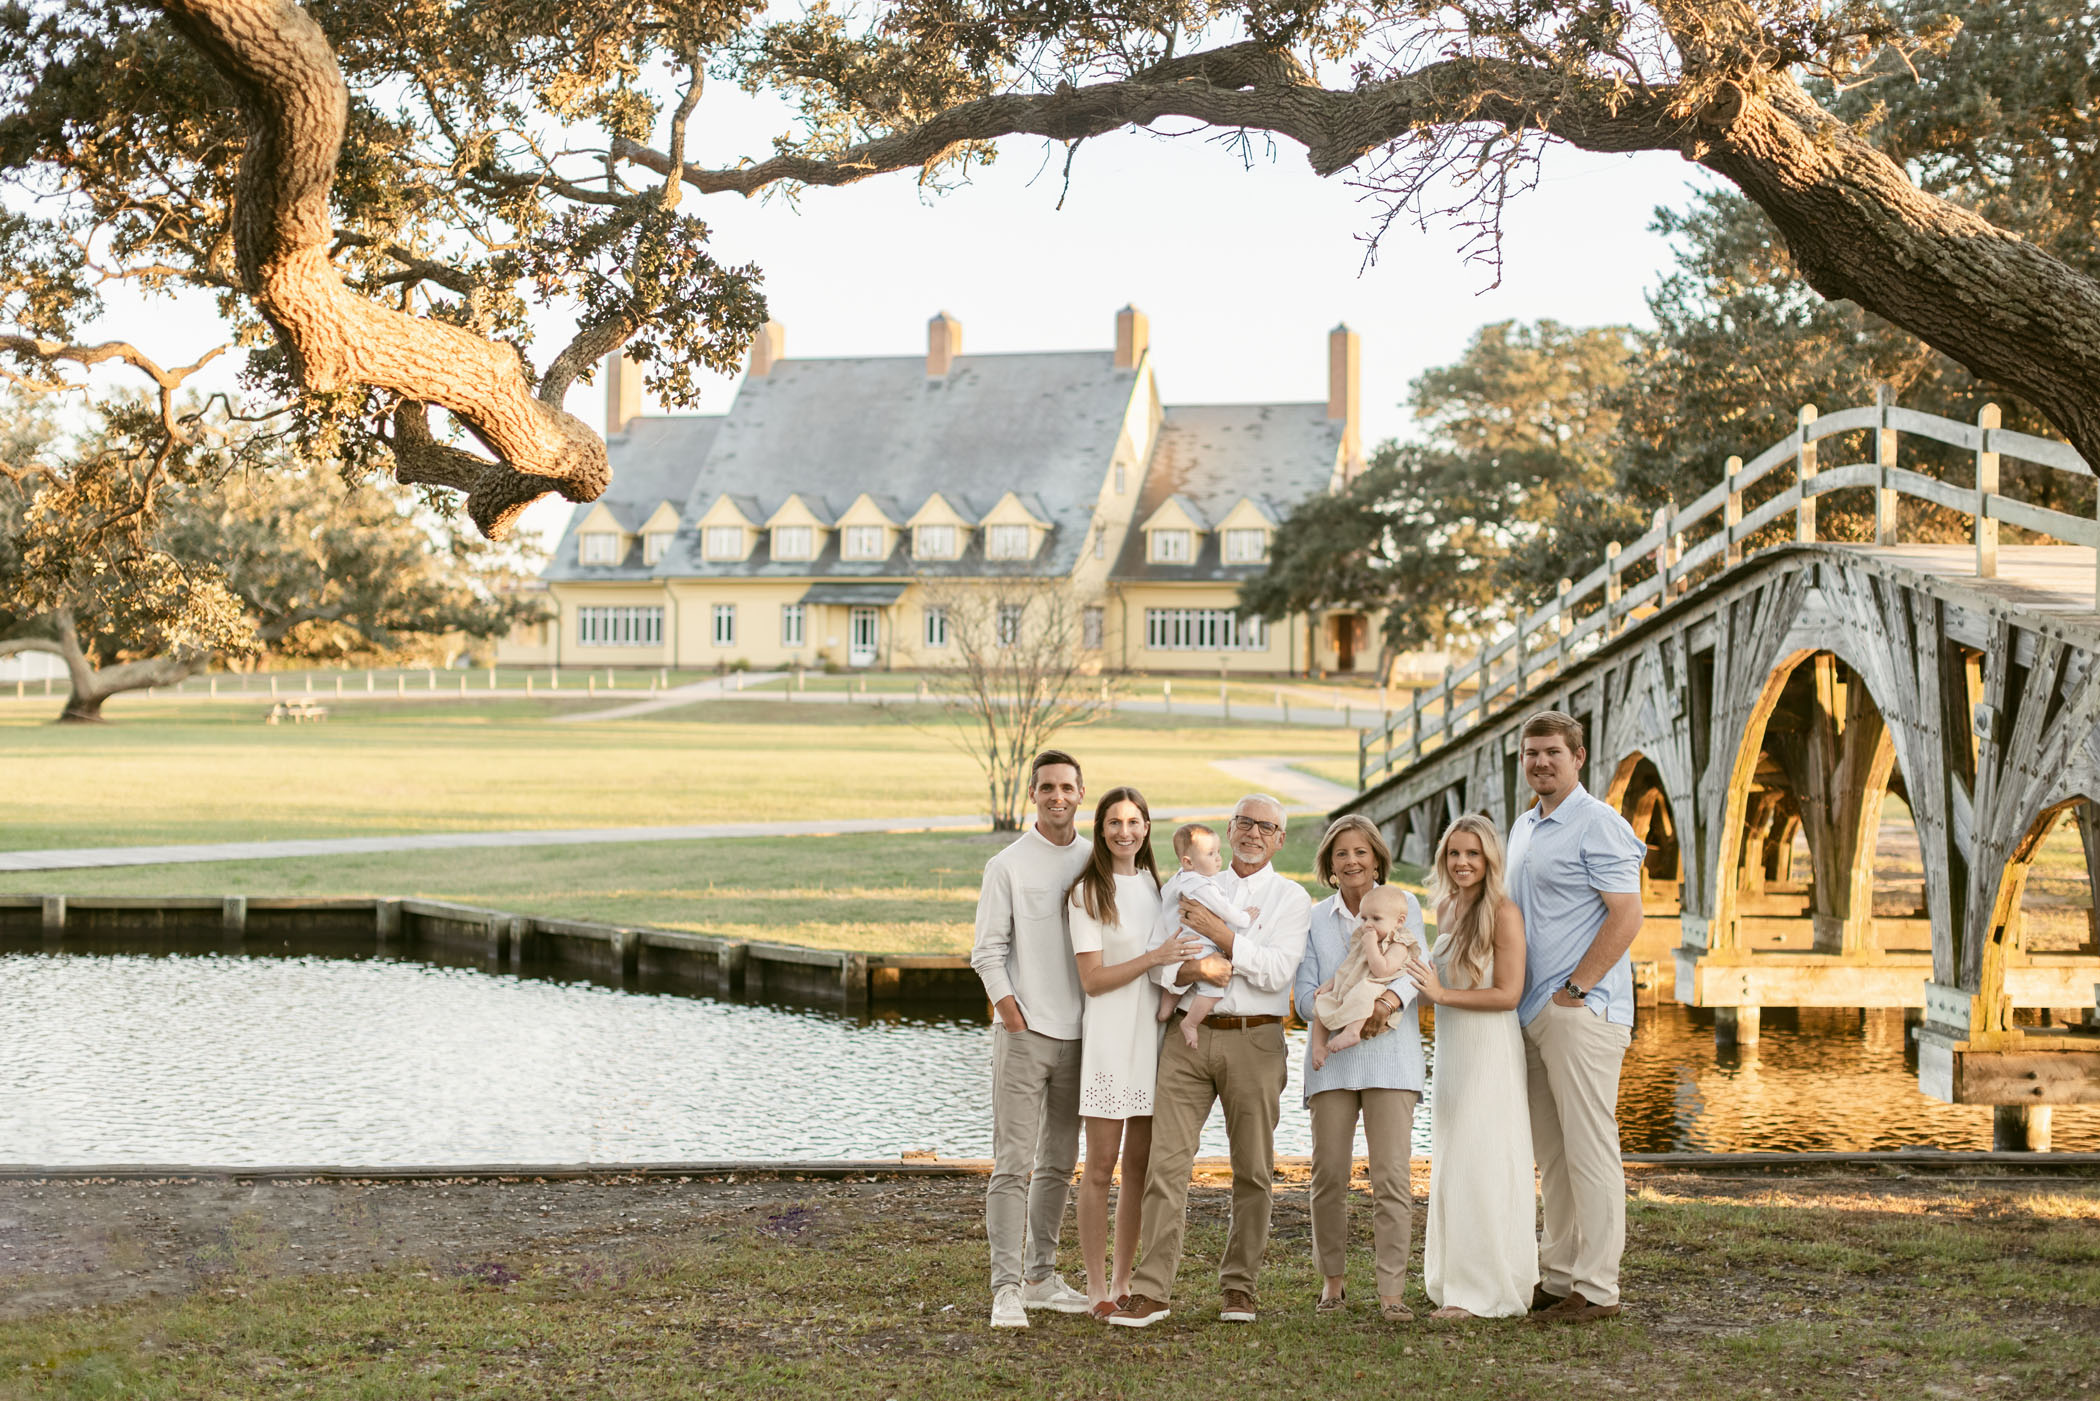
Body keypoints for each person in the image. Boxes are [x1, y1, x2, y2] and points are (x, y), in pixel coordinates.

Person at [1109, 793, 1312, 1329]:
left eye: (1265, 826)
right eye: (1244, 822)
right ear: (1228, 828)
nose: (1252, 832)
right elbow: (1160, 964)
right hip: (1187, 1040)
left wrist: (1225, 940)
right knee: (1166, 1164)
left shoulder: (1291, 899)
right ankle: (1151, 1290)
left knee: (1252, 1170)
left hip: (1256, 1040)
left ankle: (1240, 1288)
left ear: (1279, 839)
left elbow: (1275, 973)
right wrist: (1202, 967)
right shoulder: (1191, 882)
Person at [1506, 711, 1647, 1325]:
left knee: (1590, 1150)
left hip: (1580, 1011)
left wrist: (1577, 987)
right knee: (1554, 1155)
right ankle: (1558, 1273)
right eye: (1531, 753)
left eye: (1552, 753)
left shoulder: (1599, 824)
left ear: (1578, 757)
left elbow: (1627, 915)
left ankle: (1598, 1286)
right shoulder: (1523, 827)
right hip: (1530, 1011)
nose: (1541, 762)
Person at [1065, 788, 1202, 1318]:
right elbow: (1093, 980)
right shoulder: (1087, 893)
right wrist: (1154, 956)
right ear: (1100, 829)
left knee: (1139, 1169)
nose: (1126, 831)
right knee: (1100, 1167)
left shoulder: (1155, 885)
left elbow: (1179, 956)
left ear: (1147, 827)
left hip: (1152, 1041)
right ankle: (1097, 1289)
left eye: (1135, 821)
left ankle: (1125, 1281)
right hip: (1108, 1041)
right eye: (1115, 822)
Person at [970, 749, 1095, 1329]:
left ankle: (1042, 1277)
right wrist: (1013, 1016)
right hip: (1024, 1037)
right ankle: (1006, 1288)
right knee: (1013, 1164)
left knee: (1059, 1163)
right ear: (1034, 794)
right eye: (1047, 787)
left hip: (1083, 1038)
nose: (1057, 796)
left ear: (1080, 793)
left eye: (1067, 786)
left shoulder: (1098, 861)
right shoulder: (1009, 865)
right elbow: (987, 952)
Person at [1406, 813, 1538, 1320]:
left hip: (1488, 1047)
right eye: (1454, 853)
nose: (1462, 863)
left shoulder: (1503, 912)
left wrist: (1440, 994)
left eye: (1473, 854)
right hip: (1453, 1049)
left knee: (1480, 1159)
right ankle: (1454, 1280)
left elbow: (1508, 994)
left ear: (1489, 860)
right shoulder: (1445, 906)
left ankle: (1482, 1290)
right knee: (1454, 1156)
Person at [1293, 813, 1424, 1323]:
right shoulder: (1314, 918)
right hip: (1332, 1063)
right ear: (1330, 861)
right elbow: (1303, 995)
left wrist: (1385, 1004)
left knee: (1391, 1177)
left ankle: (1391, 1291)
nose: (1352, 861)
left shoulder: (1403, 905)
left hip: (1391, 1058)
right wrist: (1327, 1000)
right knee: (1328, 1175)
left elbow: (1418, 969)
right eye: (1342, 853)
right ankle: (1333, 1284)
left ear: (1377, 859)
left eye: (1361, 853)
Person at [1154, 823, 1260, 1050]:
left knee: (1178, 979)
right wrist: (1244, 918)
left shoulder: (1179, 879)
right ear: (1188, 862)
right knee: (1212, 989)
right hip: (1199, 945)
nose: (1218, 859)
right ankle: (1190, 1024)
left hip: (1179, 941)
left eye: (1218, 852)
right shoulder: (1200, 884)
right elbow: (1223, 909)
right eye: (1210, 854)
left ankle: (1165, 1009)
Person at [1308, 884, 1417, 1069]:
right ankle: (1318, 1047)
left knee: (1364, 989)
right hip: (1354, 984)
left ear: (1399, 921)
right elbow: (1350, 966)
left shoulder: (1399, 945)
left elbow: (1381, 970)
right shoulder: (1365, 939)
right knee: (1323, 1001)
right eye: (1364, 918)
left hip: (1377, 987)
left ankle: (1352, 1031)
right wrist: (1333, 982)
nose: (1368, 924)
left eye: (1376, 918)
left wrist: (1371, 945)